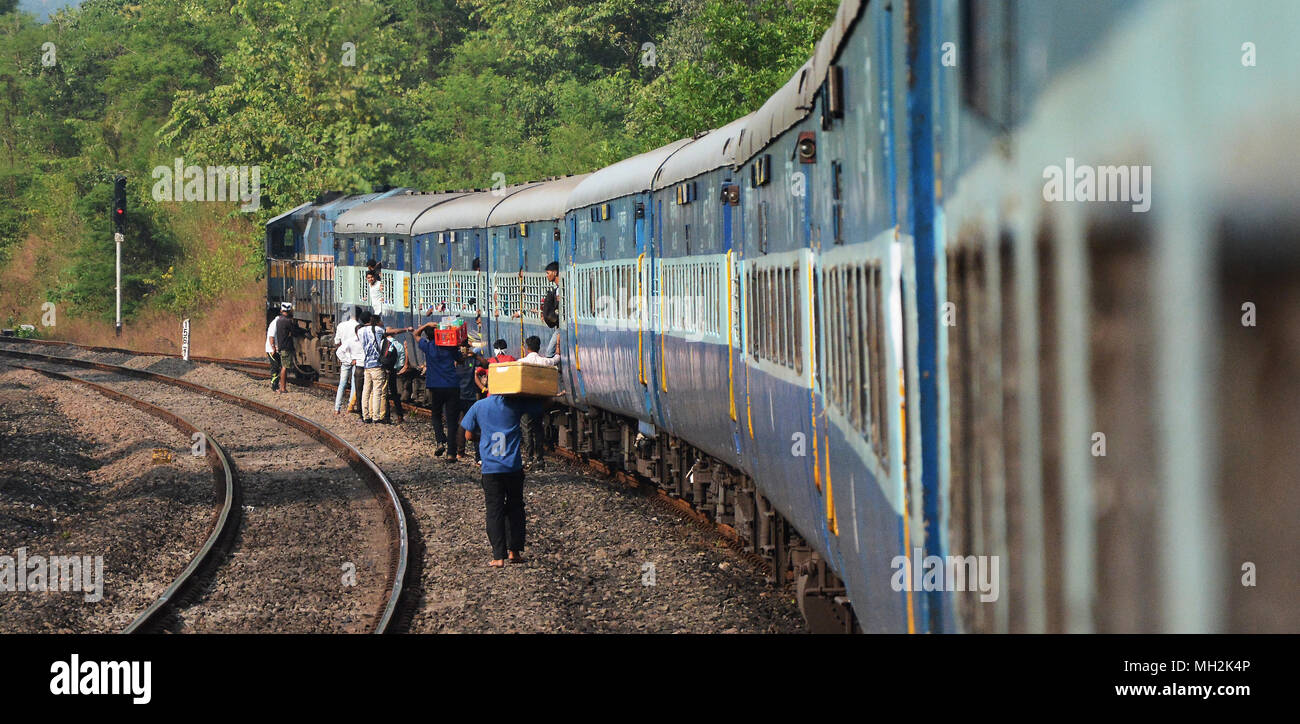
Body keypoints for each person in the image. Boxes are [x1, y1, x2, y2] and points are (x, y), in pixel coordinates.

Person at [460, 393, 549, 567]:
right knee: (515, 508)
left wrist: (483, 437)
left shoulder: (479, 406)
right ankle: (514, 552)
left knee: (494, 510)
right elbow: (541, 407)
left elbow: (468, 436)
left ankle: (498, 557)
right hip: (513, 467)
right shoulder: (515, 404)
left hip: (491, 469)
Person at [416, 321, 462, 460]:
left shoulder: (428, 346)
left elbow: (415, 334)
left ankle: (440, 441)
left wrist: (426, 325)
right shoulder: (450, 346)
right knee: (452, 419)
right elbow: (460, 359)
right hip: (452, 385)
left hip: (435, 386)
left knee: (436, 415)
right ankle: (451, 453)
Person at [455, 345, 483, 464]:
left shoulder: (455, 359)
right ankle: (478, 456)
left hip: (460, 396)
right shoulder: (471, 359)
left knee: (461, 424)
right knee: (474, 425)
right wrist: (475, 355)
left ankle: (459, 452)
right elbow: (486, 364)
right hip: (469, 397)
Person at [358, 313, 388, 423]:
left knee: (366, 391)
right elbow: (387, 332)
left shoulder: (360, 331)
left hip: (366, 365)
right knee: (377, 392)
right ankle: (376, 417)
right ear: (371, 319)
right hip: (376, 365)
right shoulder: (378, 330)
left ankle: (366, 416)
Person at [381, 326, 413, 424]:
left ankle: (385, 415)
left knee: (383, 393)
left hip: (382, 370)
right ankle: (399, 414)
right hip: (393, 370)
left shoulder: (382, 343)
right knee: (394, 393)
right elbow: (401, 361)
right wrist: (397, 369)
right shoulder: (398, 345)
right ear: (394, 333)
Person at [268, 302, 295, 393]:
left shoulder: (279, 320)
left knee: (279, 366)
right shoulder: (284, 321)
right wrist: (273, 349)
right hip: (279, 347)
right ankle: (280, 387)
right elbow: (271, 337)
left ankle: (278, 386)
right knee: (281, 367)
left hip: (278, 347)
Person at [350, 310, 371, 419]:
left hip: (361, 367)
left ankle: (361, 411)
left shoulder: (353, 340)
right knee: (367, 391)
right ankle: (366, 412)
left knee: (361, 391)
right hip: (366, 367)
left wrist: (349, 360)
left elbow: (340, 350)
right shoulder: (369, 337)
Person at [542, 261, 561, 357]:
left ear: (555, 273)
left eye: (548, 273)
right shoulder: (556, 290)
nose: (547, 275)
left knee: (549, 353)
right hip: (559, 327)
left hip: (561, 328)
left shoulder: (560, 290)